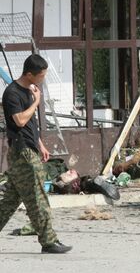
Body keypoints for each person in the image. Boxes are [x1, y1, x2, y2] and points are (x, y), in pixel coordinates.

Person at [0, 54, 72, 253]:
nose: (43, 79)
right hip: (22, 153)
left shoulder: (29, 90)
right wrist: (36, 102)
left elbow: (30, 124)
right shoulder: (12, 93)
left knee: (10, 200)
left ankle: (48, 240)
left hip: (29, 148)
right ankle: (49, 241)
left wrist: (40, 144)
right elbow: (20, 121)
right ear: (30, 75)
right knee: (38, 197)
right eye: (41, 76)